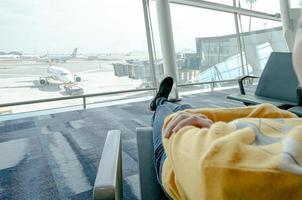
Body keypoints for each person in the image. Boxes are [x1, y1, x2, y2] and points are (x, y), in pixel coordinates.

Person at [150, 14, 302, 198]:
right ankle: (166, 103)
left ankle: (160, 101)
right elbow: (273, 113)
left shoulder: (235, 170)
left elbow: (175, 133)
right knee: (183, 111)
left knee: (167, 115)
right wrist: (207, 121)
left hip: (174, 165)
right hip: (217, 135)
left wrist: (197, 123)